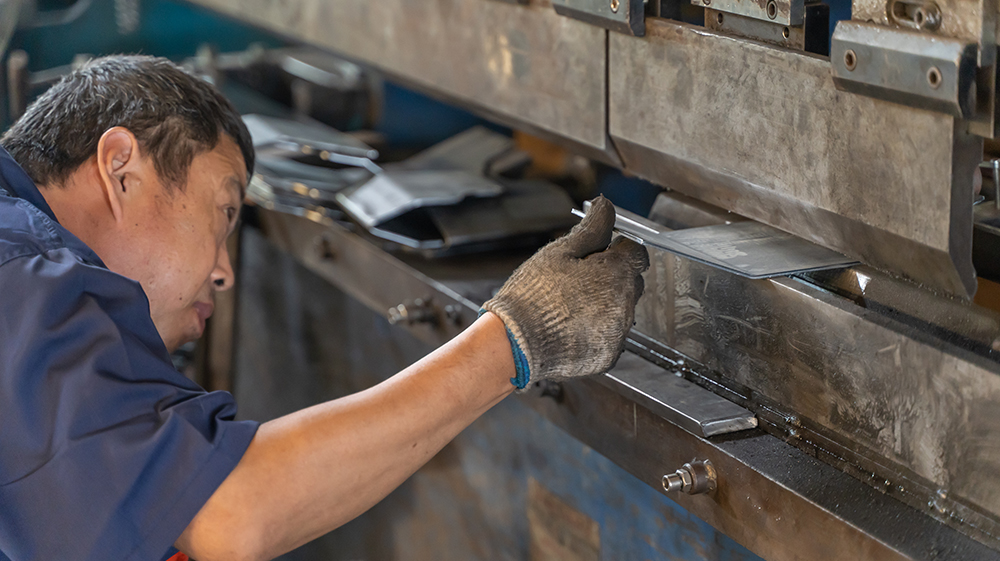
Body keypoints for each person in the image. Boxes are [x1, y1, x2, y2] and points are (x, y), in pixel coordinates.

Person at [0, 55, 649, 561]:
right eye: (223, 212)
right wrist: (519, 335)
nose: (224, 272)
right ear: (121, 169)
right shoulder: (25, 278)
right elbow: (227, 513)